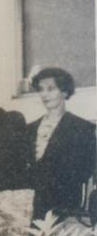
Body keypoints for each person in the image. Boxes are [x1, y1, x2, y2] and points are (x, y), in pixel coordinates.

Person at [28, 67, 96, 221]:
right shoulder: (29, 129)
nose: (44, 94)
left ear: (64, 92)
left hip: (64, 205)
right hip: (30, 204)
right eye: (41, 89)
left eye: (51, 89)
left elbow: (84, 170)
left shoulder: (82, 128)